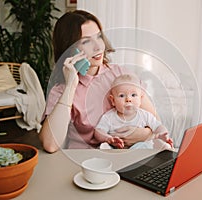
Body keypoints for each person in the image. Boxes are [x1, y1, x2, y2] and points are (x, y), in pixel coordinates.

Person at [39, 10, 157, 152]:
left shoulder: (121, 74)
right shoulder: (60, 91)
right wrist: (71, 84)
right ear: (70, 49)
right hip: (85, 162)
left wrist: (145, 134)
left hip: (125, 159)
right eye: (86, 41)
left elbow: (155, 122)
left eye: (99, 37)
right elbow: (50, 145)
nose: (98, 46)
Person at [94, 74, 173, 149]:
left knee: (145, 145)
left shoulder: (145, 115)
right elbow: (98, 132)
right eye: (122, 95)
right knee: (104, 146)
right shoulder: (109, 117)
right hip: (116, 150)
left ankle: (161, 146)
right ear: (113, 100)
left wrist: (162, 134)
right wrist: (108, 138)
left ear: (140, 98)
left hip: (139, 150)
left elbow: (158, 126)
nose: (128, 99)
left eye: (133, 95)